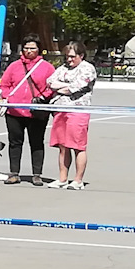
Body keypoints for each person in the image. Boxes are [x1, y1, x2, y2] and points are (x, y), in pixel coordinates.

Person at [0, 37, 55, 184]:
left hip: (36, 111)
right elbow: (4, 85)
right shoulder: (14, 66)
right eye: (26, 48)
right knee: (15, 142)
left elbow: (52, 86)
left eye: (32, 48)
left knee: (36, 142)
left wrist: (43, 97)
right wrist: (8, 97)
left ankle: (37, 174)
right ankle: (14, 173)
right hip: (14, 112)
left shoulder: (47, 67)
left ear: (39, 50)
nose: (29, 51)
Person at [48, 41, 97, 189]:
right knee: (63, 146)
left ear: (81, 55)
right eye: (67, 57)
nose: (69, 60)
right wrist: (64, 86)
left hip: (78, 111)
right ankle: (62, 179)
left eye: (72, 57)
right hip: (60, 110)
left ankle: (78, 180)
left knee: (77, 146)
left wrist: (62, 86)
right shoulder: (62, 68)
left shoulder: (88, 69)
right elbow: (49, 82)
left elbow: (75, 88)